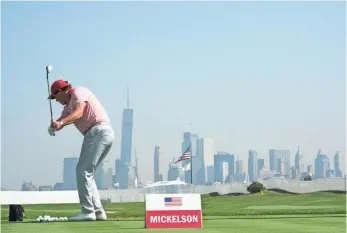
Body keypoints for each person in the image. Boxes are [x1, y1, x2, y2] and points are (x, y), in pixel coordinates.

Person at [48, 79, 114, 221]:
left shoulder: (78, 92)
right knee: (88, 173)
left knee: (82, 171)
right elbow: (62, 120)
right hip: (102, 133)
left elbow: (78, 113)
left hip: (97, 131)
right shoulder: (67, 107)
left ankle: (87, 211)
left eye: (55, 97)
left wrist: (60, 123)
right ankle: (98, 212)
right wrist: (54, 126)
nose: (55, 100)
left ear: (60, 92)